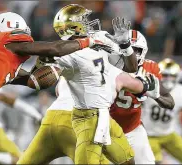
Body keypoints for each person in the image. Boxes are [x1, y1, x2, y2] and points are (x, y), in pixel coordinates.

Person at [0, 11, 106, 164]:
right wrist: (89, 41)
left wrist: (49, 66)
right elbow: (55, 48)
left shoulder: (1, 59)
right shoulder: (6, 40)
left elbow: (33, 81)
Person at [19, 4, 158, 165]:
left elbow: (131, 67)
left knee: (128, 160)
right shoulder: (66, 53)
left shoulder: (101, 37)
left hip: (97, 114)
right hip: (84, 115)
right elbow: (45, 66)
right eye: (83, 20)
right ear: (73, 26)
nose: (89, 22)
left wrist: (125, 45)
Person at [110, 30, 175, 164]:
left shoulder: (150, 68)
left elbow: (170, 102)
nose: (132, 54)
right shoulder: (108, 64)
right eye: (128, 48)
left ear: (144, 51)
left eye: (136, 50)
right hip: (105, 129)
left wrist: (156, 97)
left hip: (132, 129)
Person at [142, 58, 182, 164]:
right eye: (165, 75)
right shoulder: (148, 87)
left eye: (172, 76)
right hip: (149, 135)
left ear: (177, 76)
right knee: (155, 162)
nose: (168, 79)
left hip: (169, 134)